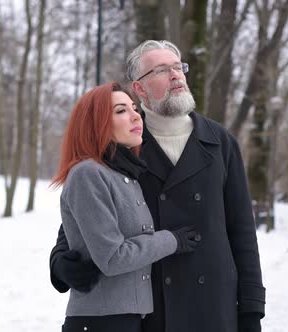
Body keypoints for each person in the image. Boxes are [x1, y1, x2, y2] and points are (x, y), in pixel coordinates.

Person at [50, 40, 266, 332]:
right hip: (151, 310)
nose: (176, 75)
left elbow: (242, 230)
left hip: (213, 306)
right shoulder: (124, 144)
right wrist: (60, 261)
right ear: (139, 89)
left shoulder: (220, 142)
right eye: (162, 70)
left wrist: (252, 308)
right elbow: (81, 217)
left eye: (179, 67)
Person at [51, 81, 200, 332]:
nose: (135, 115)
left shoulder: (126, 175)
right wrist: (172, 240)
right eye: (121, 111)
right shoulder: (88, 174)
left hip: (130, 321)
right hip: (99, 322)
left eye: (134, 108)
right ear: (96, 123)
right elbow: (111, 257)